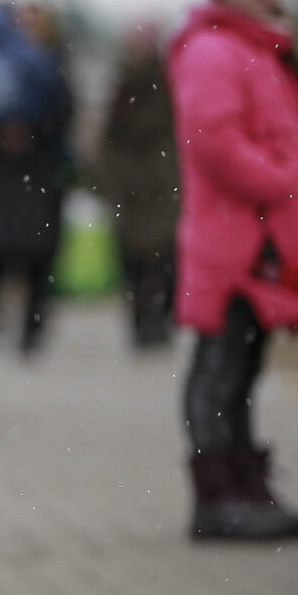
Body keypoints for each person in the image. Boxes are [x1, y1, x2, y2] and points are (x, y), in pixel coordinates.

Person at [168, 0, 298, 540]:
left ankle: (247, 485)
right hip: (231, 247)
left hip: (264, 243)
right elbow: (215, 142)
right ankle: (216, 493)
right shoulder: (213, 51)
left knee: (246, 366)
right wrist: (283, 180)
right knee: (220, 367)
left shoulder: (265, 50)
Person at [0, 0, 73, 355]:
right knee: (5, 253)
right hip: (18, 167)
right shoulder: (36, 62)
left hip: (23, 167)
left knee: (25, 254)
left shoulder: (4, 60)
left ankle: (20, 325)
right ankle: (7, 324)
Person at [95, 20, 180, 349]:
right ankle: (143, 322)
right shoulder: (123, 86)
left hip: (161, 181)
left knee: (163, 256)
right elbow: (110, 138)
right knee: (135, 259)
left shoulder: (167, 81)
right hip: (133, 186)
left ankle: (158, 320)